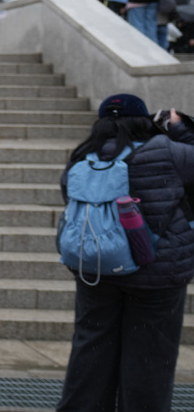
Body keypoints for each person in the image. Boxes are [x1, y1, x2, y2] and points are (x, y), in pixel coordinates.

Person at [56, 94, 194, 412]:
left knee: (90, 351)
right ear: (142, 120)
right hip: (158, 275)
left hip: (96, 267)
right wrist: (180, 128)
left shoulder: (83, 156)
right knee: (150, 359)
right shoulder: (167, 151)